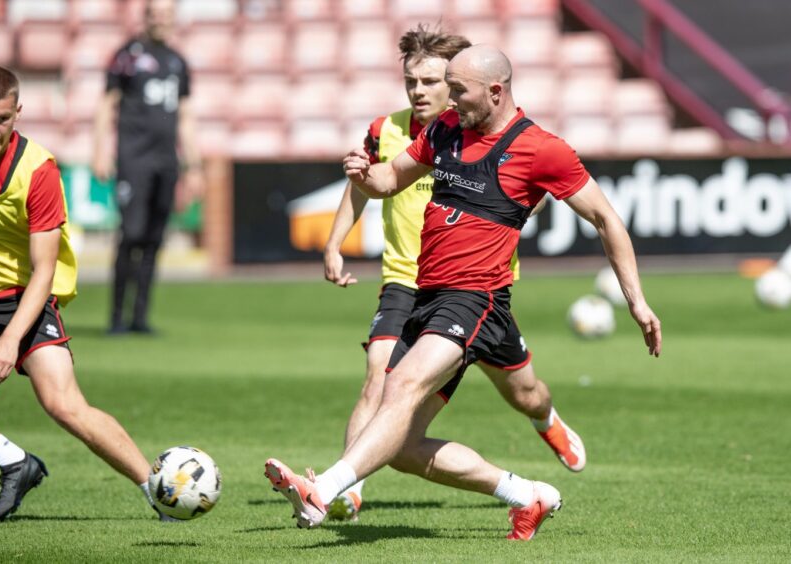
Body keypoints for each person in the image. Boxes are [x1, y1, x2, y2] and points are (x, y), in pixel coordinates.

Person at [267, 44, 662, 541]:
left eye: (458, 90)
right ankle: (527, 494)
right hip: (427, 296)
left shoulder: (541, 149)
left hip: (478, 299)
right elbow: (391, 179)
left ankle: (322, 491)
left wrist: (637, 301)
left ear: (495, 92)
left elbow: (606, 218)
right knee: (405, 449)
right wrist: (364, 175)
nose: (447, 100)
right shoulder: (444, 130)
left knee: (403, 385)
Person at [322, 25, 585, 522]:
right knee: (381, 379)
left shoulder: (471, 133)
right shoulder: (388, 130)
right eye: (410, 82)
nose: (418, 91)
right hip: (407, 282)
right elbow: (370, 182)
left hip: (480, 291)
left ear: (454, 85)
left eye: (430, 81)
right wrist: (335, 242)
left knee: (524, 391)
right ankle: (344, 487)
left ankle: (545, 419)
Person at [0, 65, 168, 521]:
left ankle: (158, 492)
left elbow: (44, 270)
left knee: (65, 405)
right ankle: (12, 460)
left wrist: (10, 340)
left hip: (24, 296)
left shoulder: (38, 170)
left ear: (18, 112)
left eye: (2, 119)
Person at [92, 0, 203, 334]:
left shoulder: (178, 62)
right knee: (132, 234)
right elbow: (106, 104)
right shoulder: (126, 56)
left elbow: (185, 116)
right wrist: (100, 149)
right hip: (134, 158)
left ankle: (139, 317)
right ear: (146, 18)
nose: (161, 20)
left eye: (167, 15)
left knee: (154, 238)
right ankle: (116, 317)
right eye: (155, 14)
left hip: (166, 161)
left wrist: (194, 165)